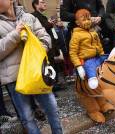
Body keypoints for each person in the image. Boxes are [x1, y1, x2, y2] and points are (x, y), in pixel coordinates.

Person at [0, 0, 62, 133]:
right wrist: (16, 34)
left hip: (37, 73)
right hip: (15, 78)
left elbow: (45, 37)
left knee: (52, 109)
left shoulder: (29, 17)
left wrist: (40, 50)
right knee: (27, 117)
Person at [69, 9, 107, 89]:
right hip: (87, 60)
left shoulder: (94, 32)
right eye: (84, 20)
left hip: (98, 57)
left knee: (109, 57)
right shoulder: (76, 35)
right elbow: (73, 53)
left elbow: (99, 45)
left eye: (88, 19)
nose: (87, 22)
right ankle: (92, 79)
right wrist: (78, 66)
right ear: (77, 23)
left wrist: (102, 54)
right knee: (90, 67)